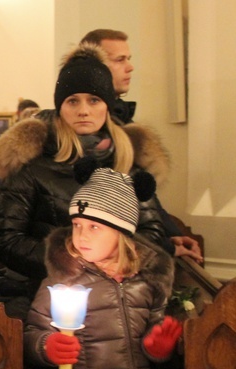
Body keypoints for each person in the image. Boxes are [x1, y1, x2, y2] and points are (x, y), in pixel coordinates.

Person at [24, 166, 180, 369]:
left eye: (94, 227)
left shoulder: (145, 281)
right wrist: (46, 347)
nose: (81, 236)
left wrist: (159, 347)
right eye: (77, 225)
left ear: (121, 232)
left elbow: (155, 327)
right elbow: (32, 334)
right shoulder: (64, 278)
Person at [0, 42, 168, 320]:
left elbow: (151, 232)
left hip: (116, 299)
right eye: (73, 101)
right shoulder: (33, 166)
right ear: (60, 107)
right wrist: (69, 263)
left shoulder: (127, 162)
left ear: (107, 106)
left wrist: (114, 261)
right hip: (44, 298)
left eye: (94, 100)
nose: (83, 110)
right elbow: (7, 238)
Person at [81, 28, 202, 263]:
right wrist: (165, 244)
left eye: (129, 59)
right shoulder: (86, 128)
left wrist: (171, 234)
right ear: (96, 67)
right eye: (119, 60)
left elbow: (144, 196)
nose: (130, 67)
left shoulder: (122, 123)